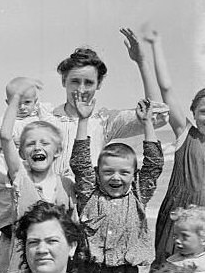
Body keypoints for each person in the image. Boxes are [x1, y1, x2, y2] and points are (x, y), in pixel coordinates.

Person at [70, 97, 164, 273]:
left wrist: (147, 125)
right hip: (87, 270)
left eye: (124, 172)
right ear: (97, 173)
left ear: (134, 176)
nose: (115, 177)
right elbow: (79, 163)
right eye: (108, 171)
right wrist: (83, 120)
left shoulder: (139, 195)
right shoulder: (89, 194)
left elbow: (154, 166)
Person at [145, 28, 205, 269]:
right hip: (178, 217)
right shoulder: (184, 133)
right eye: (204, 112)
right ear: (193, 113)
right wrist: (156, 44)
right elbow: (166, 88)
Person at [48, 33, 168, 176]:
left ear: (98, 84)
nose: (81, 90)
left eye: (88, 83)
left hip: (88, 197)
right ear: (63, 81)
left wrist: (141, 62)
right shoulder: (45, 117)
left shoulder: (103, 122)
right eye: (75, 81)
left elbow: (157, 114)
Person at [0, 84, 75, 273]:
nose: (38, 147)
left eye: (45, 143)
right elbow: (5, 136)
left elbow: (73, 226)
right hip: (21, 264)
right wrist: (15, 100)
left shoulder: (66, 184)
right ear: (21, 152)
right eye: (30, 144)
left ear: (58, 151)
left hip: (54, 263)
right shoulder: (21, 178)